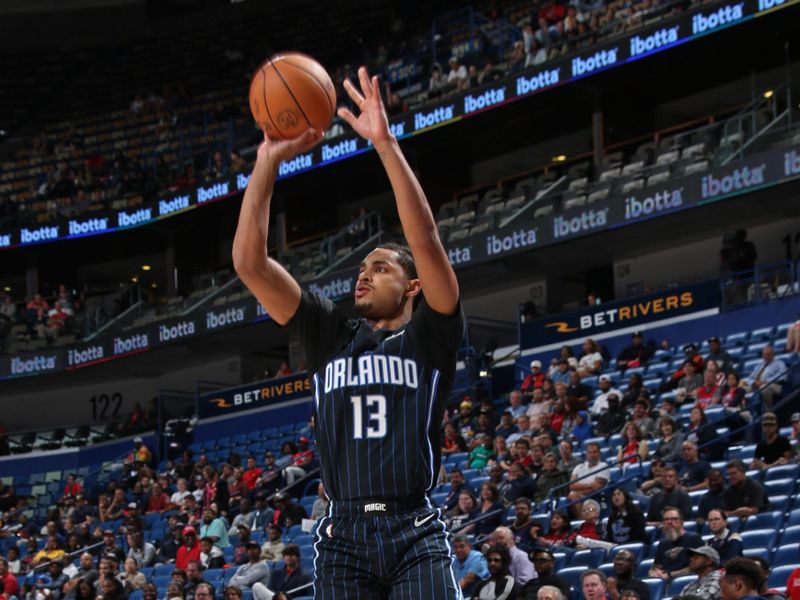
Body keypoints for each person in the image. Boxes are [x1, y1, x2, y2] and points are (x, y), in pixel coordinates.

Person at [235, 68, 464, 600]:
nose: (364, 274)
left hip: (415, 528)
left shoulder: (432, 333)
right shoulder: (328, 331)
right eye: (362, 267)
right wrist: (266, 163)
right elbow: (249, 263)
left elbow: (425, 239)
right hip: (343, 534)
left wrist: (384, 145)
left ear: (412, 288)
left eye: (380, 268)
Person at [648, 507, 703, 580]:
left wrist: (670, 575)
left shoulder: (693, 538)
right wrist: (653, 573)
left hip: (686, 580)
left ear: (682, 522)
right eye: (666, 519)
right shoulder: (663, 543)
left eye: (674, 519)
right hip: (665, 581)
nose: (670, 522)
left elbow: (697, 566)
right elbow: (655, 567)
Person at [567, 443, 610, 511]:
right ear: (586, 454)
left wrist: (579, 490)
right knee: (571, 496)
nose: (592, 455)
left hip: (596, 497)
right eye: (590, 452)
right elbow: (571, 485)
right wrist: (590, 485)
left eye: (594, 452)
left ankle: (583, 518)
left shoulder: (603, 466)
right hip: (579, 497)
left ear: (599, 453)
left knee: (573, 495)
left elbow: (596, 488)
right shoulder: (579, 467)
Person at [451, 534, 489, 598]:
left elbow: (468, 579)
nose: (458, 550)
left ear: (469, 546)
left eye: (462, 546)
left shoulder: (478, 557)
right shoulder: (454, 559)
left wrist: (449, 594)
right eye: (455, 547)